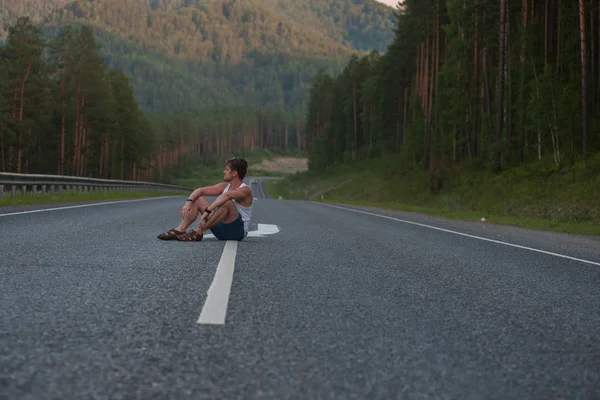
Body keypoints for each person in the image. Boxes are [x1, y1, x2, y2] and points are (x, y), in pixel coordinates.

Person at [157, 157, 253, 242]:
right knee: (198, 199)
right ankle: (180, 230)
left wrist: (207, 211)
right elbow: (200, 191)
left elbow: (227, 196)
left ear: (234, 173)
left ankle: (199, 232)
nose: (224, 172)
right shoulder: (224, 187)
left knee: (227, 203)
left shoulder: (245, 190)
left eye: (227, 170)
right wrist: (188, 203)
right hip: (221, 231)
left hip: (236, 233)